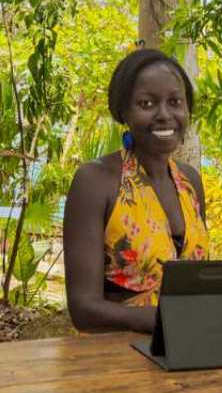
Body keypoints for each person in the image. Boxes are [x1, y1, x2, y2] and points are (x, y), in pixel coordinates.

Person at [63, 49, 208, 333]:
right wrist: (169, 321)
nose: (164, 114)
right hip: (117, 359)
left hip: (188, 349)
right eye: (147, 103)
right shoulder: (96, 181)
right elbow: (83, 309)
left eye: (175, 102)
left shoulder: (190, 182)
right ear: (124, 112)